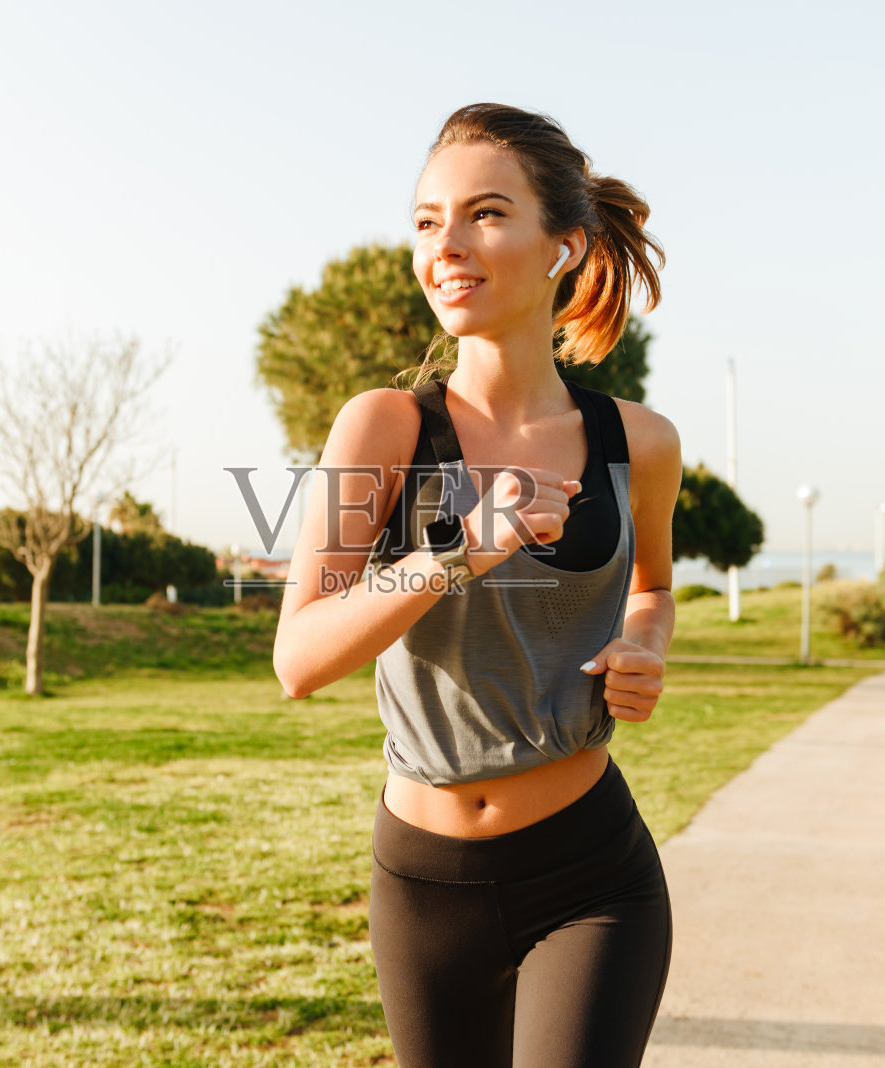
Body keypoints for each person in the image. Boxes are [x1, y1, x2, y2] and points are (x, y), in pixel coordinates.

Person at [272, 102, 683, 1068]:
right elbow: (299, 658)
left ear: (562, 246)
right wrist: (460, 548)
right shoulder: (384, 428)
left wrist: (645, 647)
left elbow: (653, 588)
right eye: (425, 220)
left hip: (592, 873)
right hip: (426, 882)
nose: (444, 245)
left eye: (485, 214)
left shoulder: (640, 442)